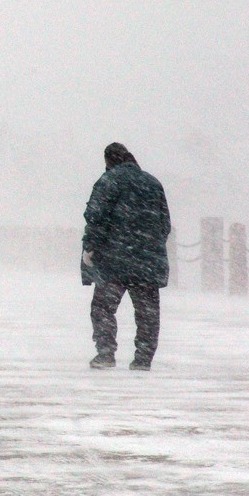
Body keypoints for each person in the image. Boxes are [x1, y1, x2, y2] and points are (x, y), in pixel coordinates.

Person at [81, 142, 171, 371]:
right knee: (147, 313)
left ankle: (105, 353)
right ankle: (143, 359)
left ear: (108, 160)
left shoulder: (109, 181)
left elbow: (96, 217)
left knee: (103, 307)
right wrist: (149, 246)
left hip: (114, 260)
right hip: (148, 262)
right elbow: (164, 224)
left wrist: (91, 247)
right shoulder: (153, 183)